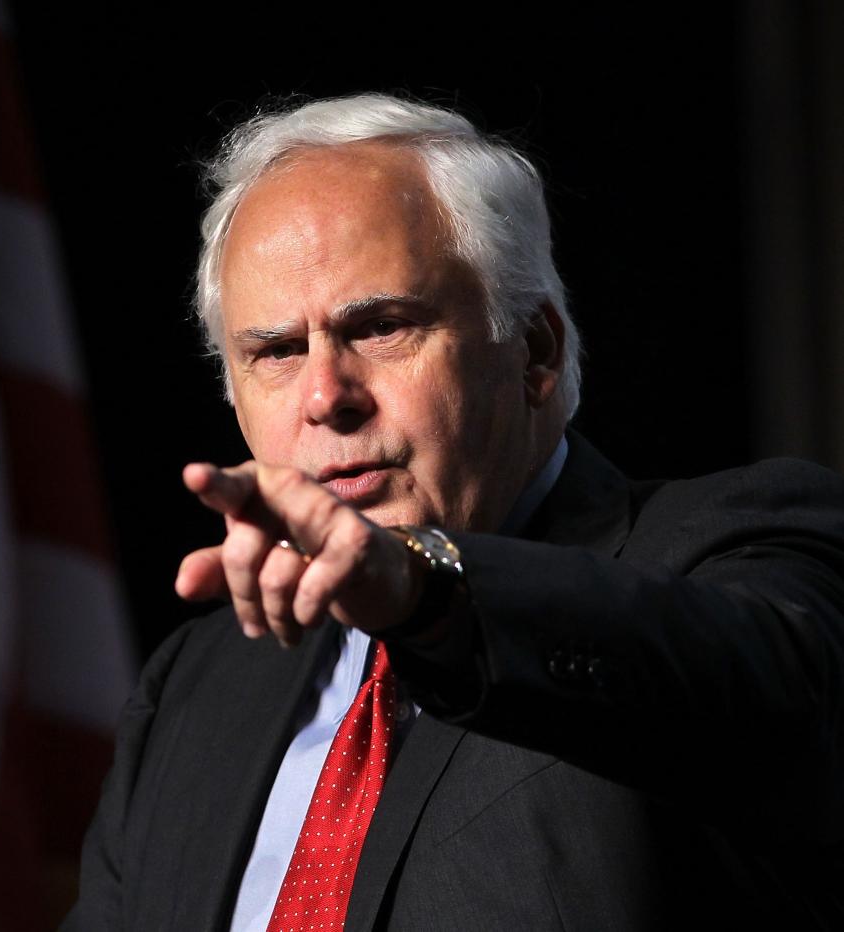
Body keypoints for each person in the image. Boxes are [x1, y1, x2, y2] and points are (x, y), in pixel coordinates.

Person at [64, 94, 844, 930]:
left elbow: (763, 692)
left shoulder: (733, 551)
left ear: (534, 351)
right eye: (278, 352)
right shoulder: (194, 688)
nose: (327, 397)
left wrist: (426, 588)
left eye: (383, 328)